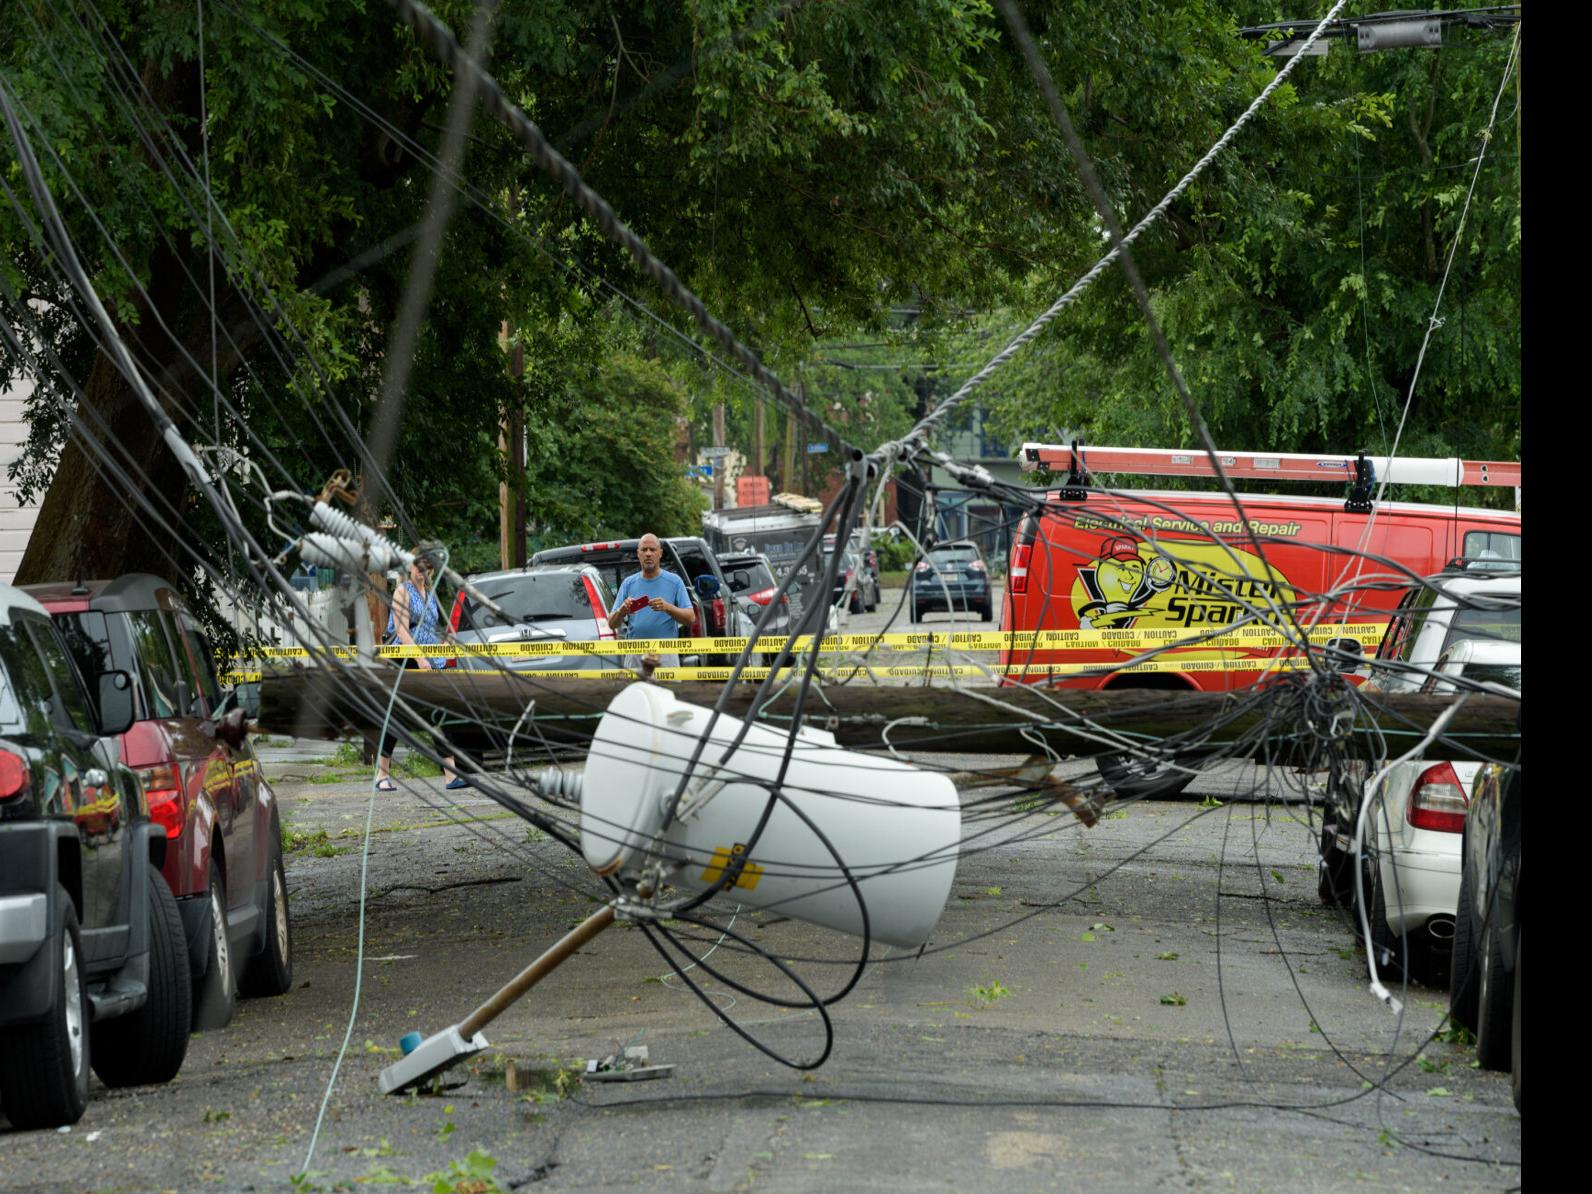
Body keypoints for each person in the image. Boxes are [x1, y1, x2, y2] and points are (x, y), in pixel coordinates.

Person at [376, 543, 466, 791]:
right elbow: (403, 630)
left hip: (430, 659)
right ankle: (382, 774)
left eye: (427, 567)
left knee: (439, 713)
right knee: (397, 716)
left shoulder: (431, 592)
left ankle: (450, 774)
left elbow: (431, 629)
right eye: (418, 566)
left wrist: (446, 642)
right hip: (405, 659)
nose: (421, 571)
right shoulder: (402, 592)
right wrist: (420, 658)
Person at [608, 533, 695, 677]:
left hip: (666, 653)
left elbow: (691, 618)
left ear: (660, 553)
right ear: (638, 553)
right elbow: (611, 624)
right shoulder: (628, 583)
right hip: (635, 653)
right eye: (644, 549)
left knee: (666, 696)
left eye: (652, 550)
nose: (648, 554)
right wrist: (622, 611)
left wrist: (668, 608)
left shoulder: (675, 582)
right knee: (636, 696)